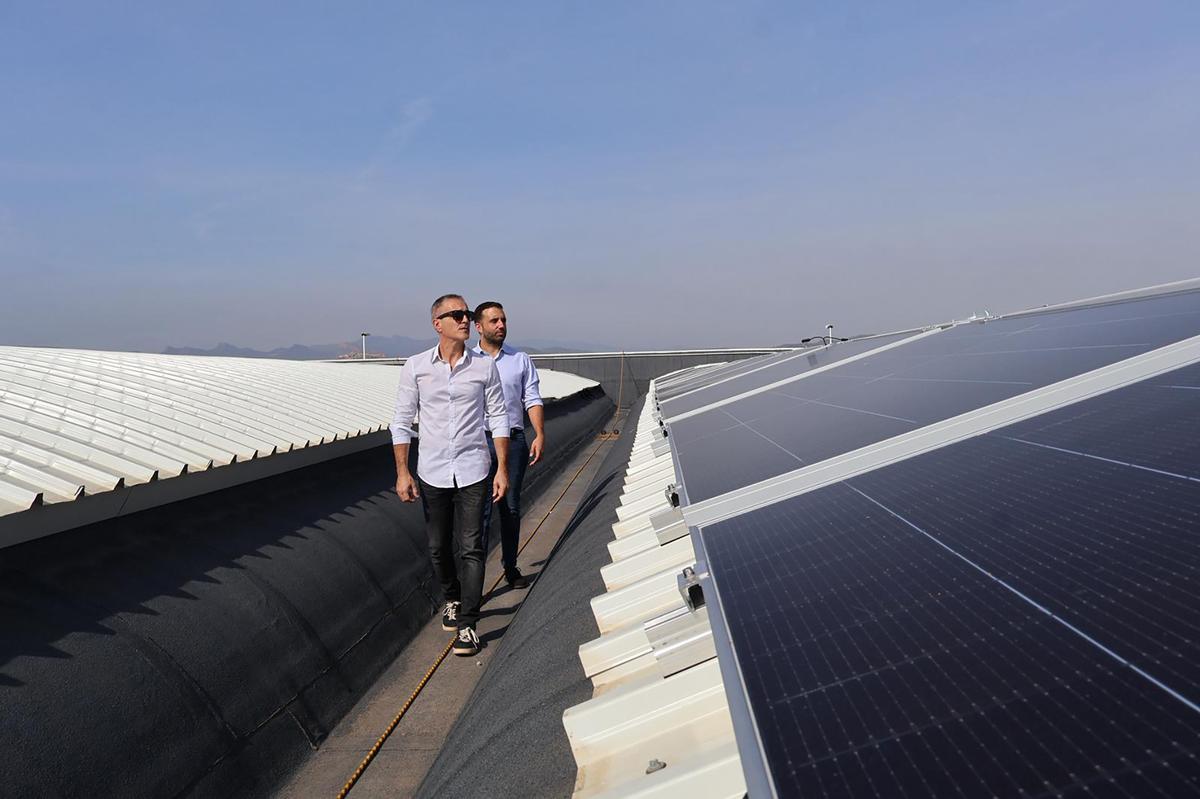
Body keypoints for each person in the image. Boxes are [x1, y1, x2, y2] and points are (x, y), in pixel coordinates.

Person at [390, 294, 510, 657]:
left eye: (467, 314)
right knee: (439, 547)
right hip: (433, 472)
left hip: (474, 470)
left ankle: (469, 623)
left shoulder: (484, 366)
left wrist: (502, 468)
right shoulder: (416, 367)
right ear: (437, 323)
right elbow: (401, 421)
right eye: (456, 314)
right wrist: (402, 472)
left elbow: (499, 417)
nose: (464, 320)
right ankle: (453, 598)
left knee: (473, 547)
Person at [472, 301, 545, 589]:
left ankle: (510, 567)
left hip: (513, 441)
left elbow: (532, 398)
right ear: (479, 327)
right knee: (479, 512)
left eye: (503, 320)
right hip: (479, 442)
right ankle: (474, 581)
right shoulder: (467, 361)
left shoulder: (520, 360)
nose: (501, 325)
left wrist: (539, 433)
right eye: (494, 321)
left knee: (510, 507)